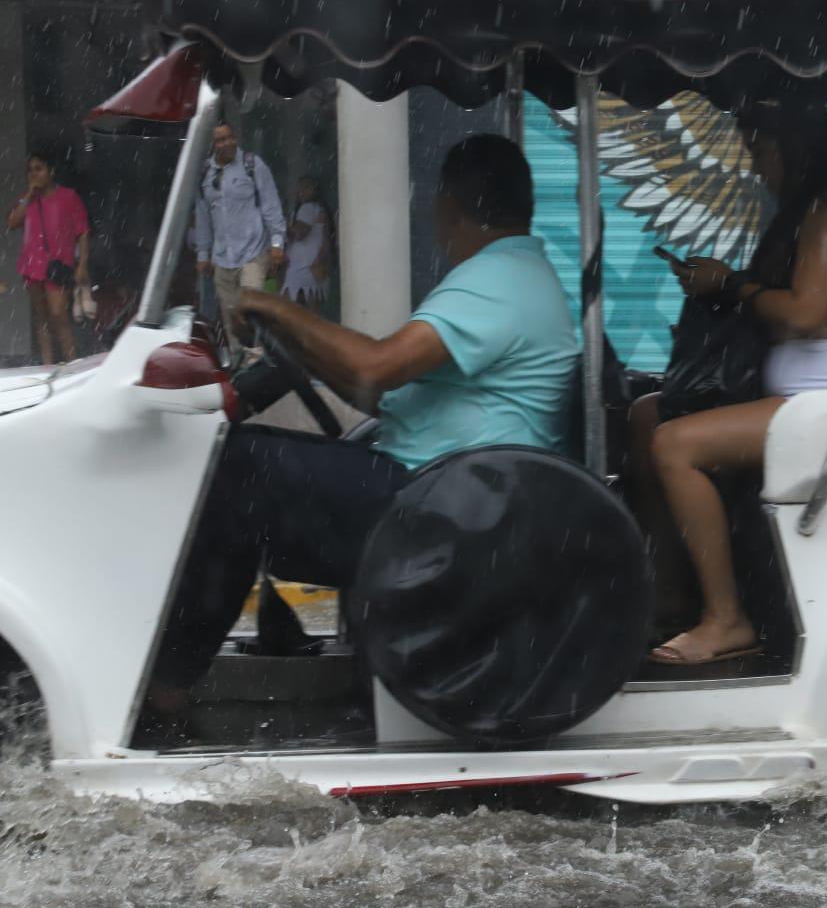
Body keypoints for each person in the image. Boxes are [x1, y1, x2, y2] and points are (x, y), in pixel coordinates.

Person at [145, 135, 580, 731]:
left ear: (451, 204)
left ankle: (164, 696)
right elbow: (378, 390)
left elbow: (373, 366)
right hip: (455, 499)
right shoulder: (515, 275)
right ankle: (228, 661)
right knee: (245, 470)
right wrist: (298, 343)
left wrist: (279, 309)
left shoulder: (498, 279)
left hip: (449, 518)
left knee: (234, 471)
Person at [630, 101, 827, 666]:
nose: (755, 166)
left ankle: (727, 619)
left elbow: (804, 313)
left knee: (674, 446)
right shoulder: (806, 210)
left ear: (790, 146)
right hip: (798, 392)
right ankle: (673, 594)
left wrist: (731, 285)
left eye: (758, 151)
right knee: (648, 415)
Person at [192, 122, 286, 342]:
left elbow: (271, 205)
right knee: (231, 320)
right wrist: (203, 254)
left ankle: (257, 354)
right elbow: (203, 216)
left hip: (253, 253)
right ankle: (239, 359)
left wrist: (277, 243)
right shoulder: (205, 174)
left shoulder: (252, 165)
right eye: (220, 140)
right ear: (212, 145)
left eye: (230, 137)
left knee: (251, 312)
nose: (227, 143)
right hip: (222, 258)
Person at [5, 152, 90, 365]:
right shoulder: (27, 199)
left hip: (58, 266)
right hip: (32, 266)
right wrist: (29, 194)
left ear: (51, 171)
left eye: (39, 169)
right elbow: (12, 223)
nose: (34, 174)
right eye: (30, 170)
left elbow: (83, 232)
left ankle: (72, 364)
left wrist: (82, 265)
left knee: (59, 315)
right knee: (41, 318)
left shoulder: (68, 197)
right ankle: (47, 364)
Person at [282, 175, 332, 309]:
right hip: (315, 267)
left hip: (303, 268)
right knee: (311, 315)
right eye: (300, 188)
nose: (301, 191)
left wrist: (284, 225)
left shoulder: (308, 208)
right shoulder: (320, 209)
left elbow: (299, 233)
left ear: (315, 189)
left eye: (306, 187)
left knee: (288, 311)